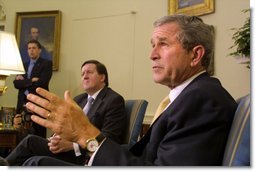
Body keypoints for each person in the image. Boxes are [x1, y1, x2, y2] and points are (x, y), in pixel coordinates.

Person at [24, 14, 237, 166]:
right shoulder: (189, 96)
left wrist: (85, 135)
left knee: (35, 163)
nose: (152, 54)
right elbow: (143, 153)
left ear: (195, 55)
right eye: (152, 45)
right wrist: (88, 145)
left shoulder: (203, 98)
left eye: (163, 44)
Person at [6, 60, 127, 166]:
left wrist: (73, 146)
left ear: (102, 77)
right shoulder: (79, 99)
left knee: (32, 154)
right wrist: (55, 138)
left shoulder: (113, 100)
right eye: (82, 73)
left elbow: (109, 140)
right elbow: (62, 124)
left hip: (86, 156)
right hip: (64, 150)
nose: (84, 76)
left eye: (89, 72)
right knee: (30, 142)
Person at [13, 39, 52, 138]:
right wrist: (31, 81)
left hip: (38, 103)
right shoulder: (23, 65)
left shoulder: (46, 64)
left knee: (38, 134)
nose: (31, 50)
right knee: (20, 134)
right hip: (22, 103)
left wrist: (24, 81)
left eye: (34, 48)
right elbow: (16, 84)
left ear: (39, 50)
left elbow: (42, 83)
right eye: (29, 48)